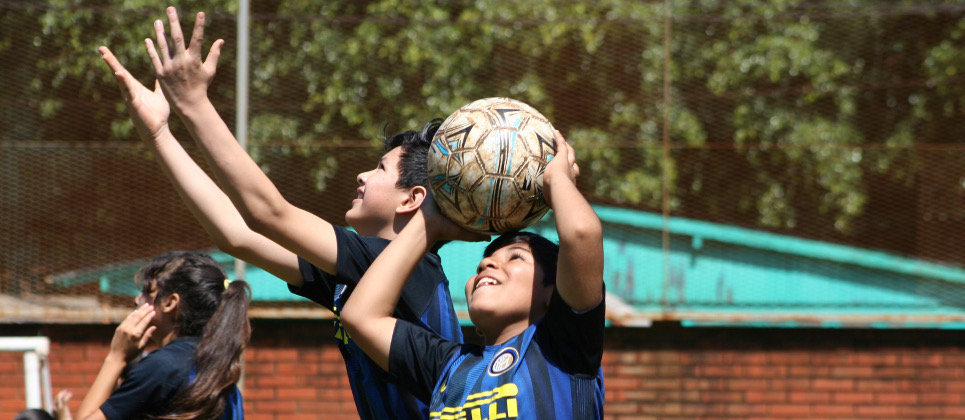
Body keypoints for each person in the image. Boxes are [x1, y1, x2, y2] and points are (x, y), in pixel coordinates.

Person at [98, 6, 470, 419]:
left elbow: (268, 213)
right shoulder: (362, 273)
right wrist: (159, 134)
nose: (363, 175)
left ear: (412, 199)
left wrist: (194, 104)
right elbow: (236, 234)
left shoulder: (406, 265)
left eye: (381, 168)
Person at [341, 131, 606, 418]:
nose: (486, 265)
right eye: (483, 262)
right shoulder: (446, 366)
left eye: (516, 257)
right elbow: (360, 316)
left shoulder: (564, 349)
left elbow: (581, 234)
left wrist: (558, 180)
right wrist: (428, 222)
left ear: (552, 290)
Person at [75, 252, 250, 420]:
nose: (137, 300)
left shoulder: (162, 366)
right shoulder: (221, 373)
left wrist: (116, 357)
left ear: (170, 303)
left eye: (146, 292)